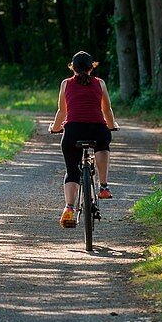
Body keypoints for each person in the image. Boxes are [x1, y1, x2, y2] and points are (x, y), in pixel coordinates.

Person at [49, 50, 118, 228]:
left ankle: (69, 209)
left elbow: (62, 112)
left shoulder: (65, 84)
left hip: (73, 131)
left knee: (72, 171)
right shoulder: (100, 83)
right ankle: (103, 187)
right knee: (103, 145)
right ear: (91, 67)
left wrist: (55, 128)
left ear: (73, 67)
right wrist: (111, 126)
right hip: (97, 129)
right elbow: (107, 111)